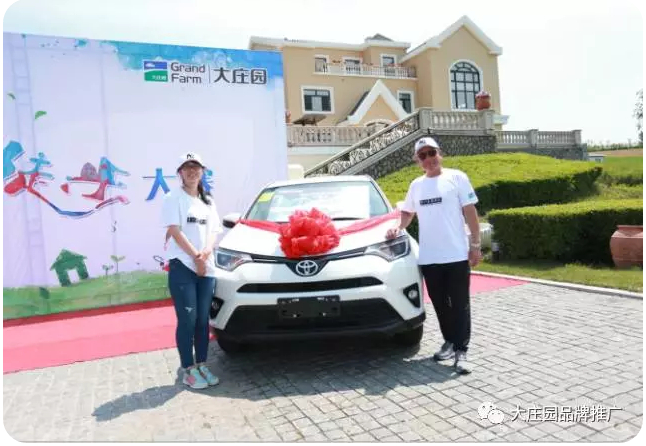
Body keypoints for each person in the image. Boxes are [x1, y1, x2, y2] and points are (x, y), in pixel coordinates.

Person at [386, 137, 482, 375]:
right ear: (417, 161)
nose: (428, 159)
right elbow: (408, 212)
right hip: (429, 258)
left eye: (431, 153)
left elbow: (470, 212)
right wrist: (398, 227)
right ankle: (449, 342)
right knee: (440, 305)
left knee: (459, 305)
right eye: (423, 155)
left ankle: (461, 350)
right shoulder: (416, 185)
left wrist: (475, 244)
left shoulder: (457, 178)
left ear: (440, 153)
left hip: (456, 256)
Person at [162, 152, 222, 389]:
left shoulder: (208, 201)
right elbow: (175, 231)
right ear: (180, 173)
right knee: (187, 319)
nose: (192, 171)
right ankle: (188, 369)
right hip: (183, 266)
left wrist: (205, 253)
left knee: (202, 319)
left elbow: (214, 231)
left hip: (206, 266)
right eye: (187, 167)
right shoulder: (172, 198)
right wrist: (196, 257)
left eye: (196, 167)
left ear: (202, 171)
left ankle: (202, 364)